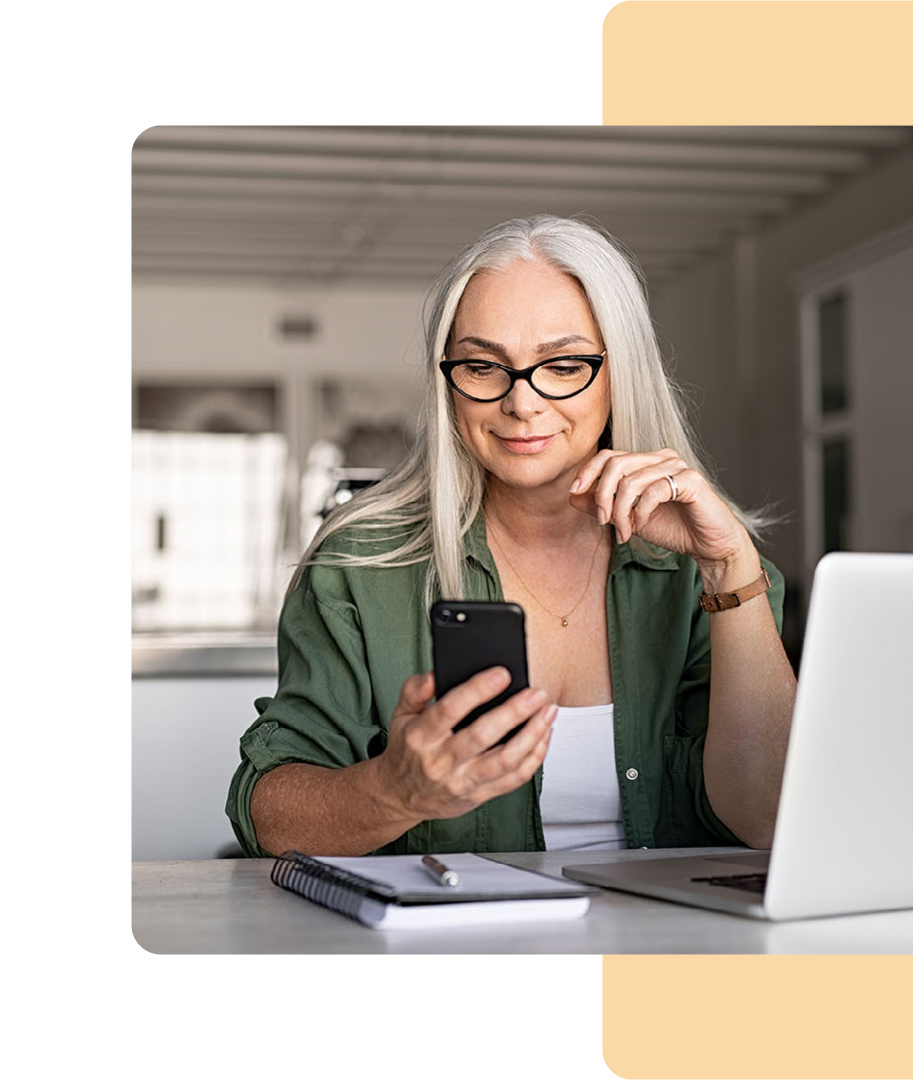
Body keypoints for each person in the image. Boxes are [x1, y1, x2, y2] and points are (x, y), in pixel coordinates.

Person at [226, 214, 797, 858]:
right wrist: (395, 791)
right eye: (482, 366)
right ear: (449, 385)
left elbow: (770, 819)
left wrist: (730, 569)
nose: (521, 403)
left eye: (562, 365)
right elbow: (268, 815)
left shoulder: (713, 571)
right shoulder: (360, 563)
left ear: (619, 372)